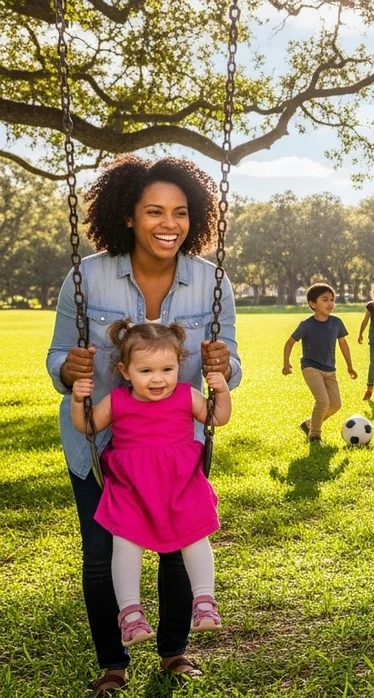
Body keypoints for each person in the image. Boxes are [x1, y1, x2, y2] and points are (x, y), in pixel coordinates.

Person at [46, 154, 241, 691]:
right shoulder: (86, 276)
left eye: (180, 212)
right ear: (129, 216)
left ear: (194, 217)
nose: (169, 224)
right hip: (101, 442)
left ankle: (174, 651)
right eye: (154, 211)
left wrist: (224, 368)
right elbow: (57, 356)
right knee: (102, 551)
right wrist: (70, 368)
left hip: (177, 443)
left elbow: (233, 365)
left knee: (180, 546)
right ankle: (114, 662)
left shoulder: (211, 282)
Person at [71, 322, 231, 647]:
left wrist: (222, 391)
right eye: (146, 370)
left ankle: (204, 602)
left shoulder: (187, 395)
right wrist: (78, 400)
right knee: (126, 544)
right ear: (125, 371)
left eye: (167, 369)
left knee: (194, 537)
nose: (158, 379)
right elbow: (88, 426)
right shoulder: (117, 401)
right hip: (131, 488)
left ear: (178, 368)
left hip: (180, 484)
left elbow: (218, 418)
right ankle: (130, 614)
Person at [283, 283, 357, 441]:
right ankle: (315, 435)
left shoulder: (336, 322)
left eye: (332, 299)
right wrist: (286, 363)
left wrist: (350, 366)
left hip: (330, 370)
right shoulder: (306, 325)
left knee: (335, 404)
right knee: (323, 401)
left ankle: (309, 424)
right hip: (311, 368)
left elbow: (343, 344)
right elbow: (290, 342)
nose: (330, 303)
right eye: (325, 299)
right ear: (312, 304)